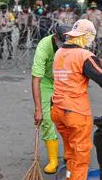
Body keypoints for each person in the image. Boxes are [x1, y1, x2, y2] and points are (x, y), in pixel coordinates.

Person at [51, 19, 102, 180]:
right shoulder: (84, 55)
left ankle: (69, 177)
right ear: (85, 36)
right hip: (76, 113)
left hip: (58, 110)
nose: (91, 41)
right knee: (80, 157)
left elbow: (79, 69)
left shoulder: (60, 52)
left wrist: (98, 62)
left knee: (71, 152)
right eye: (90, 37)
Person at [31, 25, 70, 174]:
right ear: (55, 37)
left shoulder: (72, 45)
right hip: (47, 81)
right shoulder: (44, 47)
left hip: (64, 80)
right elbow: (36, 79)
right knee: (46, 119)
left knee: (67, 117)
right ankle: (53, 159)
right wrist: (38, 109)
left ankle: (68, 151)